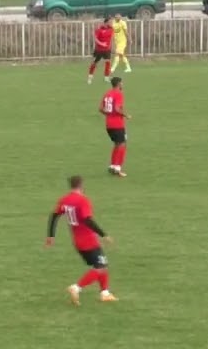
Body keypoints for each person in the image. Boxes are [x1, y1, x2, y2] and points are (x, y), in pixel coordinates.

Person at [45, 175, 118, 305]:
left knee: (101, 264)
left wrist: (51, 235)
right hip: (89, 240)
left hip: (78, 242)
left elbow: (54, 216)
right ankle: (77, 288)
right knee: (101, 267)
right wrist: (103, 235)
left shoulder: (64, 200)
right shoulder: (83, 200)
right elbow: (87, 219)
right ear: (81, 185)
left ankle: (105, 293)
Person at [100, 77, 129, 177]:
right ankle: (117, 168)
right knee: (122, 144)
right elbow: (117, 108)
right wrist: (126, 115)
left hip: (109, 124)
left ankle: (113, 166)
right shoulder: (118, 94)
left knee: (117, 144)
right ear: (119, 84)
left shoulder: (107, 94)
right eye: (122, 83)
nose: (123, 84)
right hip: (117, 124)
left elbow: (101, 109)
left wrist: (109, 115)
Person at [87, 18, 114, 84]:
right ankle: (90, 78)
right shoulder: (99, 30)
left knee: (108, 62)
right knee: (94, 63)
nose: (111, 23)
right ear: (106, 22)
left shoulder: (111, 29)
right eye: (110, 22)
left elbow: (111, 38)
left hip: (107, 49)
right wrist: (101, 44)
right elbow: (95, 39)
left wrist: (111, 46)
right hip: (99, 50)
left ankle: (106, 78)